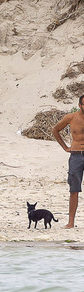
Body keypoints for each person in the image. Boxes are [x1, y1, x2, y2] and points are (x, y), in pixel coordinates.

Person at [52, 94, 84, 228]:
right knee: (74, 189)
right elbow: (55, 130)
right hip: (76, 155)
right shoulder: (71, 117)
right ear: (80, 105)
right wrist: (65, 147)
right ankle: (71, 222)